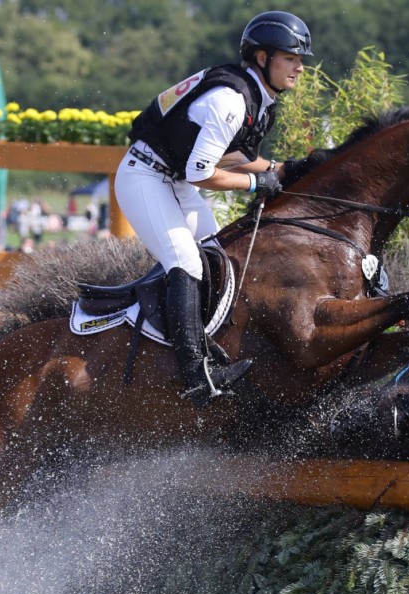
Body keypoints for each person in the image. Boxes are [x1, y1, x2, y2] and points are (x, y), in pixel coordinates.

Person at [115, 10, 311, 405]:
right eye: (290, 58)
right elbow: (203, 172)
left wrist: (281, 169)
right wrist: (257, 182)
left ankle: (214, 345)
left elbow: (234, 156)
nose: (299, 68)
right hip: (145, 177)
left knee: (217, 256)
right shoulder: (231, 100)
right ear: (262, 58)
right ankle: (194, 374)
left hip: (175, 179)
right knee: (186, 262)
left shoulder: (256, 96)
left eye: (299, 59)